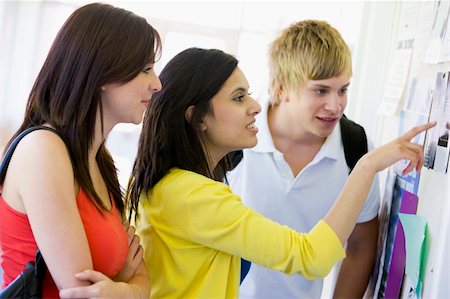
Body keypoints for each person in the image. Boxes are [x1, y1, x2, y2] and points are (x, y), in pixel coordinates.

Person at [126, 47, 434, 299]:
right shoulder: (194, 195)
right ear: (198, 118)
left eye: (343, 90)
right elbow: (311, 257)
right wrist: (367, 167)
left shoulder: (173, 186)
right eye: (238, 97)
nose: (256, 106)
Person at [0, 3, 162, 298]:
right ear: (102, 73)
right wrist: (126, 286)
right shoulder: (43, 150)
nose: (157, 84)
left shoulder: (100, 162)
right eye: (145, 69)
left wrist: (124, 290)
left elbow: (140, 274)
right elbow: (83, 293)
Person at [226, 20, 378, 298]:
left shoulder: (355, 147)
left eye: (343, 90)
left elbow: (359, 247)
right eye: (321, 91)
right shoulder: (235, 137)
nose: (335, 106)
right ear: (282, 88)